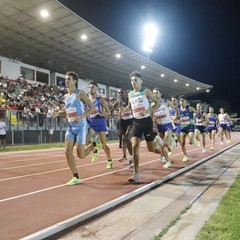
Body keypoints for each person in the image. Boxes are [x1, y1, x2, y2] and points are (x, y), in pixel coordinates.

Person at [53, 71, 100, 186]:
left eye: (68, 79)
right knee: (67, 151)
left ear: (75, 81)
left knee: (81, 155)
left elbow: (93, 108)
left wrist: (82, 116)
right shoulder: (65, 96)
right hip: (70, 127)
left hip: (81, 127)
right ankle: (76, 177)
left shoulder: (80, 93)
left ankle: (93, 145)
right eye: (65, 79)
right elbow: (67, 112)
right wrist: (58, 114)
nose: (66, 81)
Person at [122, 71, 163, 183]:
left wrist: (149, 110)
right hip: (136, 122)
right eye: (131, 80)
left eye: (135, 80)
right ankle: (136, 173)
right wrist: (124, 110)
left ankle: (157, 140)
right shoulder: (130, 94)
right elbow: (130, 106)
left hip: (146, 122)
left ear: (141, 81)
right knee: (135, 145)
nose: (133, 82)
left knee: (151, 149)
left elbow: (157, 103)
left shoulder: (146, 91)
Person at [86, 81, 113, 169]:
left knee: (104, 145)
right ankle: (95, 149)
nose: (91, 89)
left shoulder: (100, 99)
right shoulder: (87, 99)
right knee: (86, 140)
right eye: (89, 87)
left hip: (100, 122)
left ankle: (109, 160)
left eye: (92, 87)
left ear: (97, 88)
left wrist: (101, 115)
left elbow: (108, 112)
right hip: (91, 122)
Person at [152, 88, 178, 168]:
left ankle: (172, 138)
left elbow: (176, 108)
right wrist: (154, 121)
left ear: (160, 94)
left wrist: (176, 116)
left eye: (157, 93)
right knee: (161, 145)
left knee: (165, 144)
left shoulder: (165, 102)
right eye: (153, 93)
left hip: (168, 125)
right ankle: (168, 161)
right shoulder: (152, 105)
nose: (155, 94)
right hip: (160, 126)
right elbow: (152, 115)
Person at [111, 88, 133, 166]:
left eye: (121, 93)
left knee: (127, 137)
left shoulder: (129, 100)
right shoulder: (118, 102)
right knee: (123, 139)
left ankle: (132, 157)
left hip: (131, 120)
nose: (120, 94)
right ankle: (124, 156)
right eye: (118, 93)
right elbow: (112, 109)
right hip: (123, 121)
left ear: (125, 93)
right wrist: (112, 113)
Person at [178, 95, 198, 162]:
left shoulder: (189, 108)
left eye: (183, 101)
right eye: (180, 101)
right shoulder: (178, 110)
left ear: (185, 101)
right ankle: (185, 156)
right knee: (182, 142)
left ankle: (192, 140)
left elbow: (197, 112)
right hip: (183, 127)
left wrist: (201, 117)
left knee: (190, 141)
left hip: (190, 126)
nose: (182, 102)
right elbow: (177, 118)